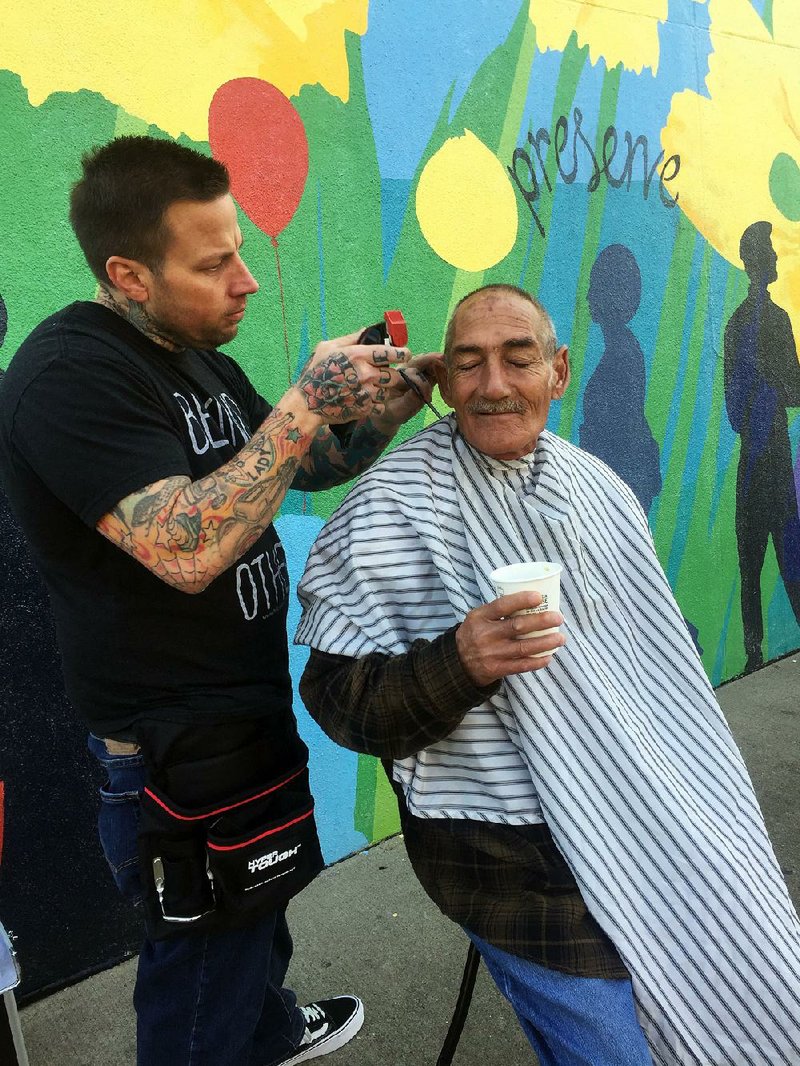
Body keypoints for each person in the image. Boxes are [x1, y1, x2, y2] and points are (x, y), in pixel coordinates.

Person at [0, 135, 438, 1066]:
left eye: (240, 249)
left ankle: (270, 1032)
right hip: (168, 748)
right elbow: (186, 547)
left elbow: (291, 471)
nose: (244, 280)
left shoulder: (199, 353)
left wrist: (377, 419)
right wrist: (304, 403)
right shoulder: (68, 376)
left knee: (257, 905)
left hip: (237, 715)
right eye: (213, 263)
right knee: (199, 965)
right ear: (128, 273)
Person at [296, 283, 800, 1065]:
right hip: (517, 863)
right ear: (445, 378)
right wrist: (456, 664)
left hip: (651, 812)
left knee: (759, 983)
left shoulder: (602, 492)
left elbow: (656, 676)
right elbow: (337, 703)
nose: (493, 385)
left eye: (517, 358)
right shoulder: (391, 509)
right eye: (468, 364)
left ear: (559, 371)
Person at [723, 220, 800, 672]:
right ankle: (753, 656)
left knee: (755, 569)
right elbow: (793, 390)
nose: (774, 258)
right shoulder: (768, 321)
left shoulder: (738, 322)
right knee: (778, 565)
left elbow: (739, 410)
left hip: (754, 468)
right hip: (767, 465)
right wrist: (774, 387)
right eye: (768, 252)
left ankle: (754, 657)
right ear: (757, 261)